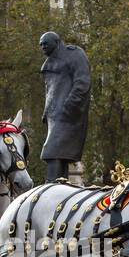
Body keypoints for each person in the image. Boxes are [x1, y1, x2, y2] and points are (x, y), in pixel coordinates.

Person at [38, 31, 91, 182]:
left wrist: (69, 106)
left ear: (56, 41)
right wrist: (46, 113)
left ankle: (51, 188)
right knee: (58, 155)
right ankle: (58, 186)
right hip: (54, 116)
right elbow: (51, 90)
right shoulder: (49, 62)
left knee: (52, 152)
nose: (43, 47)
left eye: (45, 43)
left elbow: (82, 82)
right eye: (40, 45)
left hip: (68, 114)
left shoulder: (74, 54)